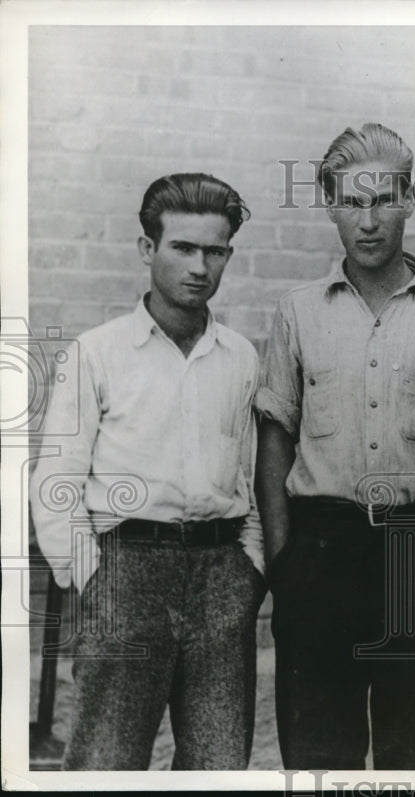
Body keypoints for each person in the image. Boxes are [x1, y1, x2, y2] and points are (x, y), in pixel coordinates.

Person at [255, 123, 415, 770]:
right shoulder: (299, 311)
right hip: (321, 551)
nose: (370, 219)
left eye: (384, 199)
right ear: (331, 206)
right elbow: (275, 442)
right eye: (353, 203)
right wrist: (284, 562)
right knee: (319, 755)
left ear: (409, 200)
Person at [30, 173, 265, 770]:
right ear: (147, 250)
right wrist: (94, 581)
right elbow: (57, 483)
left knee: (218, 763)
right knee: (106, 762)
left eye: (214, 251)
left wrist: (249, 571)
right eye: (182, 247)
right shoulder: (98, 352)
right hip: (126, 570)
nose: (199, 266)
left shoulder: (240, 357)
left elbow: (255, 475)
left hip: (220, 576)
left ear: (228, 256)